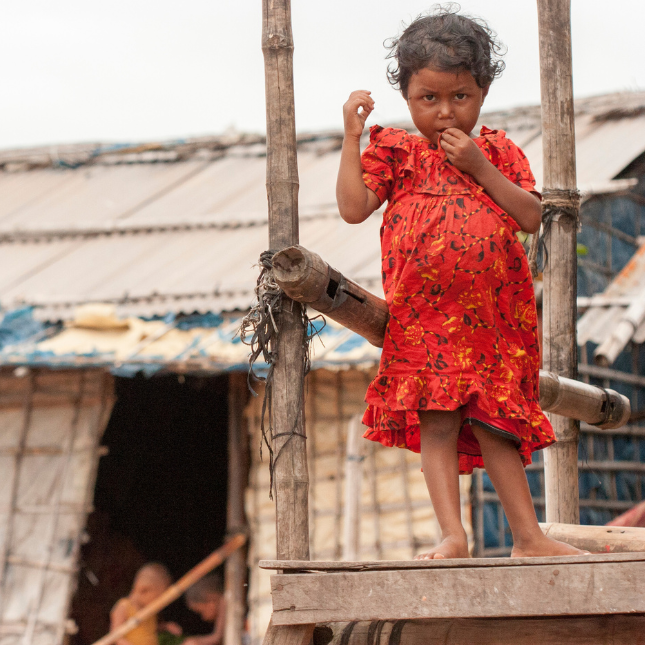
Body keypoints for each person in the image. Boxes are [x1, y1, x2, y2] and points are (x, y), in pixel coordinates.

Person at [336, 4, 588, 560]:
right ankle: (453, 535)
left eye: (461, 97)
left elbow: (529, 216)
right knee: (439, 422)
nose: (446, 112)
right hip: (423, 323)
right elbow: (354, 209)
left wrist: (478, 166)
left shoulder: (497, 151)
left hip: (494, 323)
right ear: (406, 95)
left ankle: (529, 537)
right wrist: (351, 138)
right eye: (430, 99)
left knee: (498, 424)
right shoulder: (395, 153)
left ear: (484, 91)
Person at [111, 563, 181, 645]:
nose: (159, 603)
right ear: (144, 590)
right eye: (157, 598)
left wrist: (165, 626)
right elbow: (116, 636)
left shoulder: (149, 610)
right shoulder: (124, 606)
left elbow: (149, 629)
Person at [182, 574, 226, 645]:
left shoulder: (224, 601)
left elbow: (217, 638)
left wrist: (195, 642)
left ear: (210, 599)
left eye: (201, 612)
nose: (204, 618)